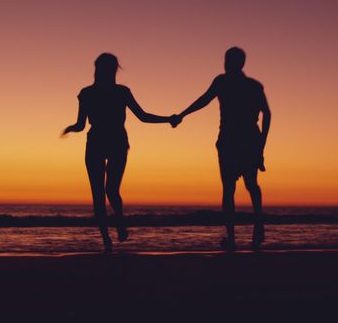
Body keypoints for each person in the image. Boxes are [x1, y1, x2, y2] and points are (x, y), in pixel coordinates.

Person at [62, 53, 179, 252]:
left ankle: (110, 236)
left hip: (103, 142)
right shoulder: (109, 92)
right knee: (109, 191)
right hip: (111, 142)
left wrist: (168, 119)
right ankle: (113, 230)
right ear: (114, 69)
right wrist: (168, 120)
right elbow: (143, 117)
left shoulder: (93, 93)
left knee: (101, 193)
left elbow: (81, 125)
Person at [174, 47, 271, 250]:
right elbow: (204, 99)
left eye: (229, 60)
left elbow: (267, 114)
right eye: (226, 60)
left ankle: (254, 228)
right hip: (233, 141)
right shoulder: (228, 82)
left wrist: (261, 145)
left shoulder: (247, 85)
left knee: (245, 186)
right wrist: (183, 114)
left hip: (241, 141)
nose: (226, 64)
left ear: (239, 63)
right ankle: (237, 235)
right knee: (235, 188)